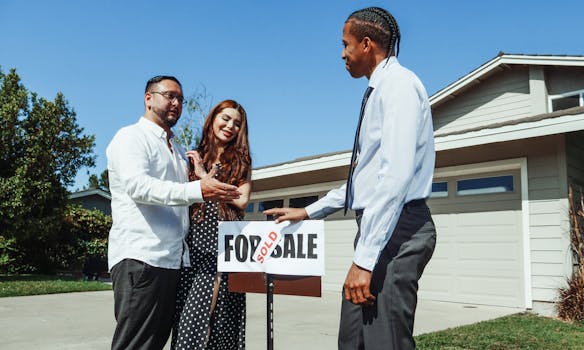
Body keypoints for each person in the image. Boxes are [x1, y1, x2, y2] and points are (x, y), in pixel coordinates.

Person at [264, 7, 436, 349]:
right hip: (382, 230)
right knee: (354, 340)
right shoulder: (380, 88)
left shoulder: (398, 86)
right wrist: (309, 211)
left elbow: (394, 178)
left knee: (383, 342)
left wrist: (363, 260)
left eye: (346, 44)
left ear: (367, 44)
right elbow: (367, 178)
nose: (342, 54)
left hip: (398, 231)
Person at [106, 76, 241, 350]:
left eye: (180, 99)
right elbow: (138, 186)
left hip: (173, 263)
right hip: (141, 259)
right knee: (135, 343)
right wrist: (198, 190)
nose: (176, 103)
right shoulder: (131, 137)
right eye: (169, 96)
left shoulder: (179, 152)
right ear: (148, 98)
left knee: (155, 343)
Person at [171, 100, 252, 349]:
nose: (230, 126)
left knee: (215, 319)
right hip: (192, 242)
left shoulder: (241, 160)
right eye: (225, 119)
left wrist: (204, 177)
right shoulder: (193, 154)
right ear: (213, 119)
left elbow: (242, 200)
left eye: (237, 123)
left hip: (223, 243)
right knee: (186, 317)